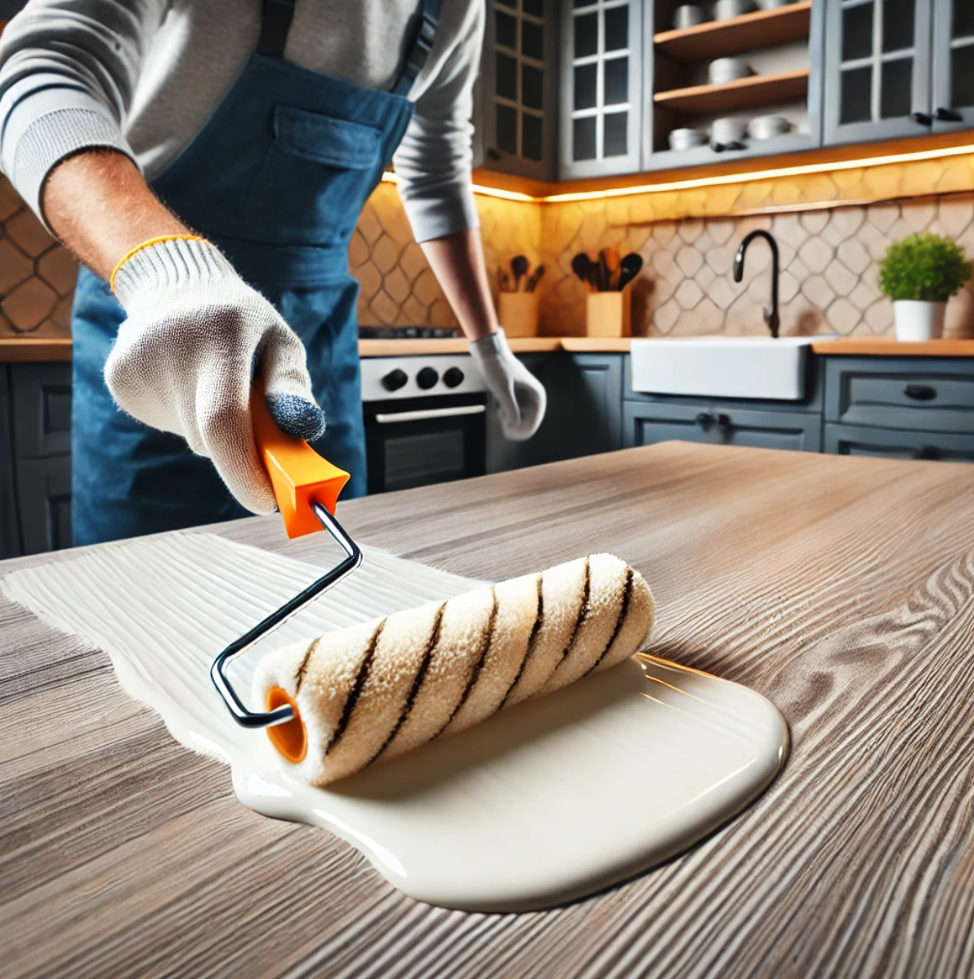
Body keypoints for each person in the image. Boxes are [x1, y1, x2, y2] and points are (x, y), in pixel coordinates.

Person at [0, 0, 547, 545]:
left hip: (320, 344)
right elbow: (41, 67)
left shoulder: (456, 9)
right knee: (145, 596)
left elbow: (435, 177)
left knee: (328, 577)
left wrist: (489, 345)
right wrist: (168, 274)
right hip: (162, 328)